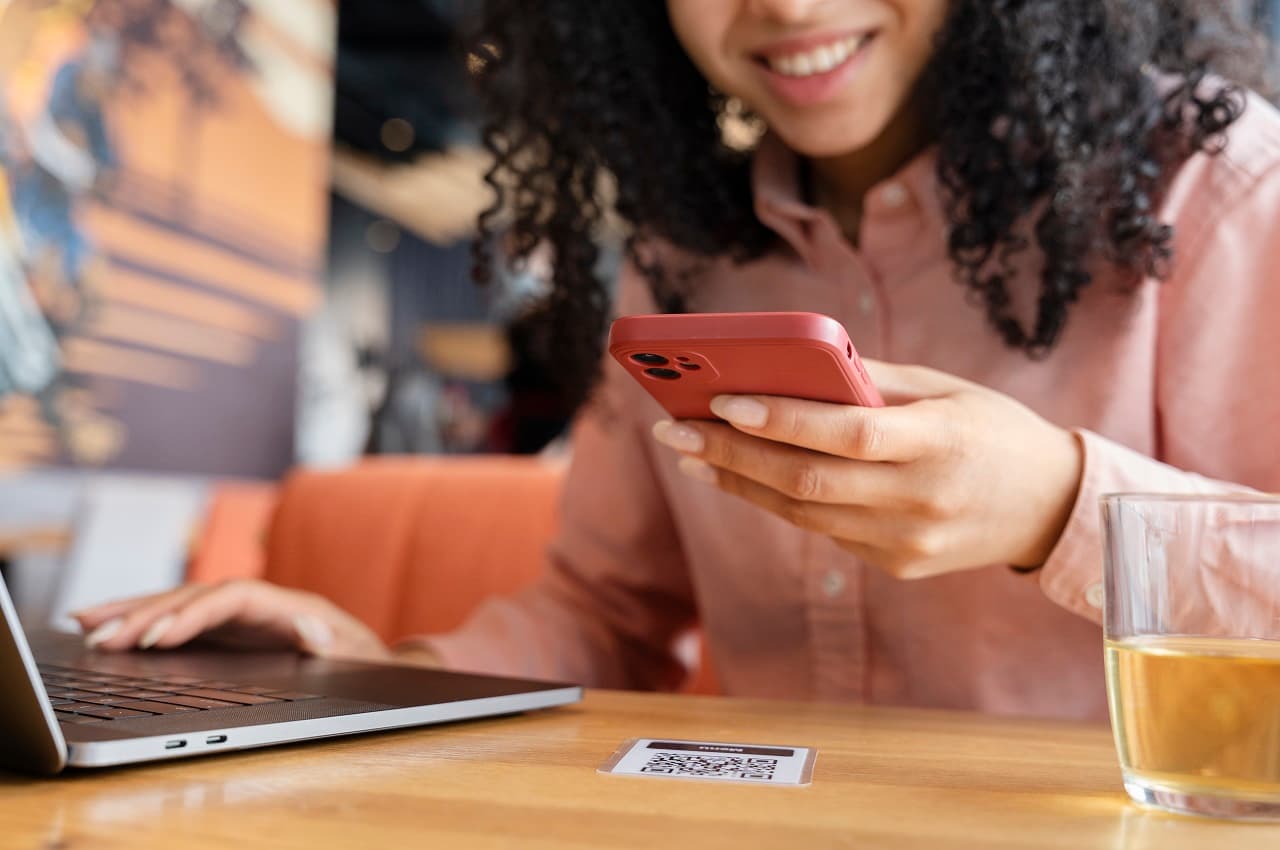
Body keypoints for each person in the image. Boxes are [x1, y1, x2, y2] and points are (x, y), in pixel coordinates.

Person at [75, 1, 1280, 720]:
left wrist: (1058, 508)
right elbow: (603, 614)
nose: (786, 5)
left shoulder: (1212, 197)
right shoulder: (681, 251)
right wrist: (382, 671)